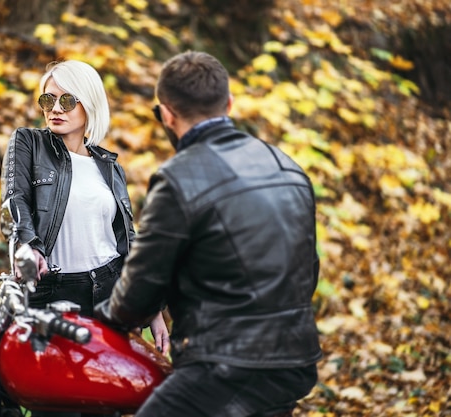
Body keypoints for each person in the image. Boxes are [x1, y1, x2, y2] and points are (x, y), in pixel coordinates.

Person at [94, 51, 322, 417]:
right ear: (228, 103)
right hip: (296, 359)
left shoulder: (178, 178)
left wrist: (94, 319)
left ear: (167, 115)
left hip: (225, 366)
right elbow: (306, 272)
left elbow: (141, 289)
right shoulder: (288, 167)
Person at [0, 60, 169, 417]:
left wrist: (150, 305)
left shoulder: (109, 166)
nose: (55, 109)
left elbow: (127, 241)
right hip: (55, 295)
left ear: (89, 103)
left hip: (110, 296)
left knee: (103, 404)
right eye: (48, 100)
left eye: (67, 100)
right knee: (55, 406)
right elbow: (15, 203)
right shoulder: (29, 143)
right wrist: (27, 246)